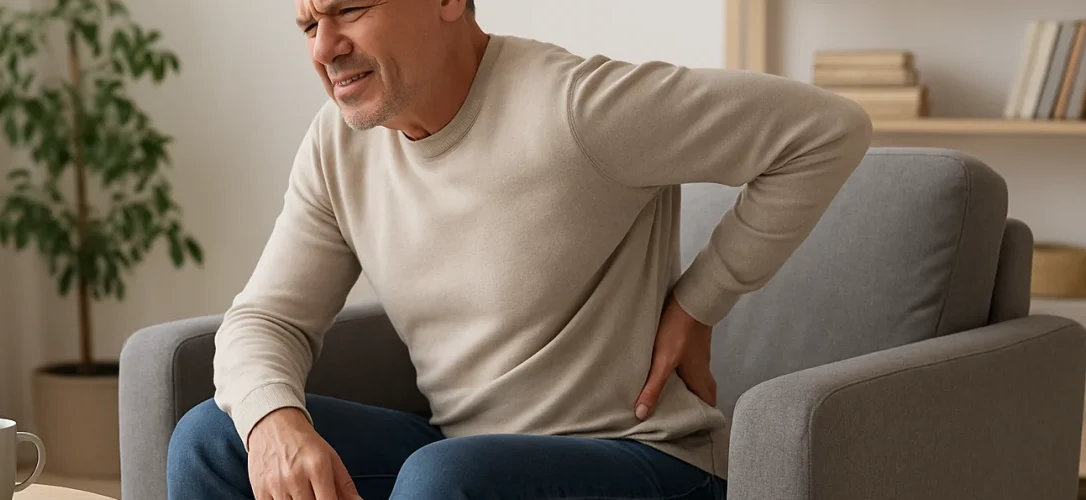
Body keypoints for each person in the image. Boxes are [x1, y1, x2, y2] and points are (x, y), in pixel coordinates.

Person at [168, 0, 872, 498]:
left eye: (350, 10)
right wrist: (275, 424)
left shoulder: (577, 107)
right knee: (214, 436)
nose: (324, 48)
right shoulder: (338, 147)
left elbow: (825, 131)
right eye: (308, 24)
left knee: (442, 481)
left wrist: (700, 300)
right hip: (462, 460)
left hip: (643, 463)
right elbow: (266, 320)